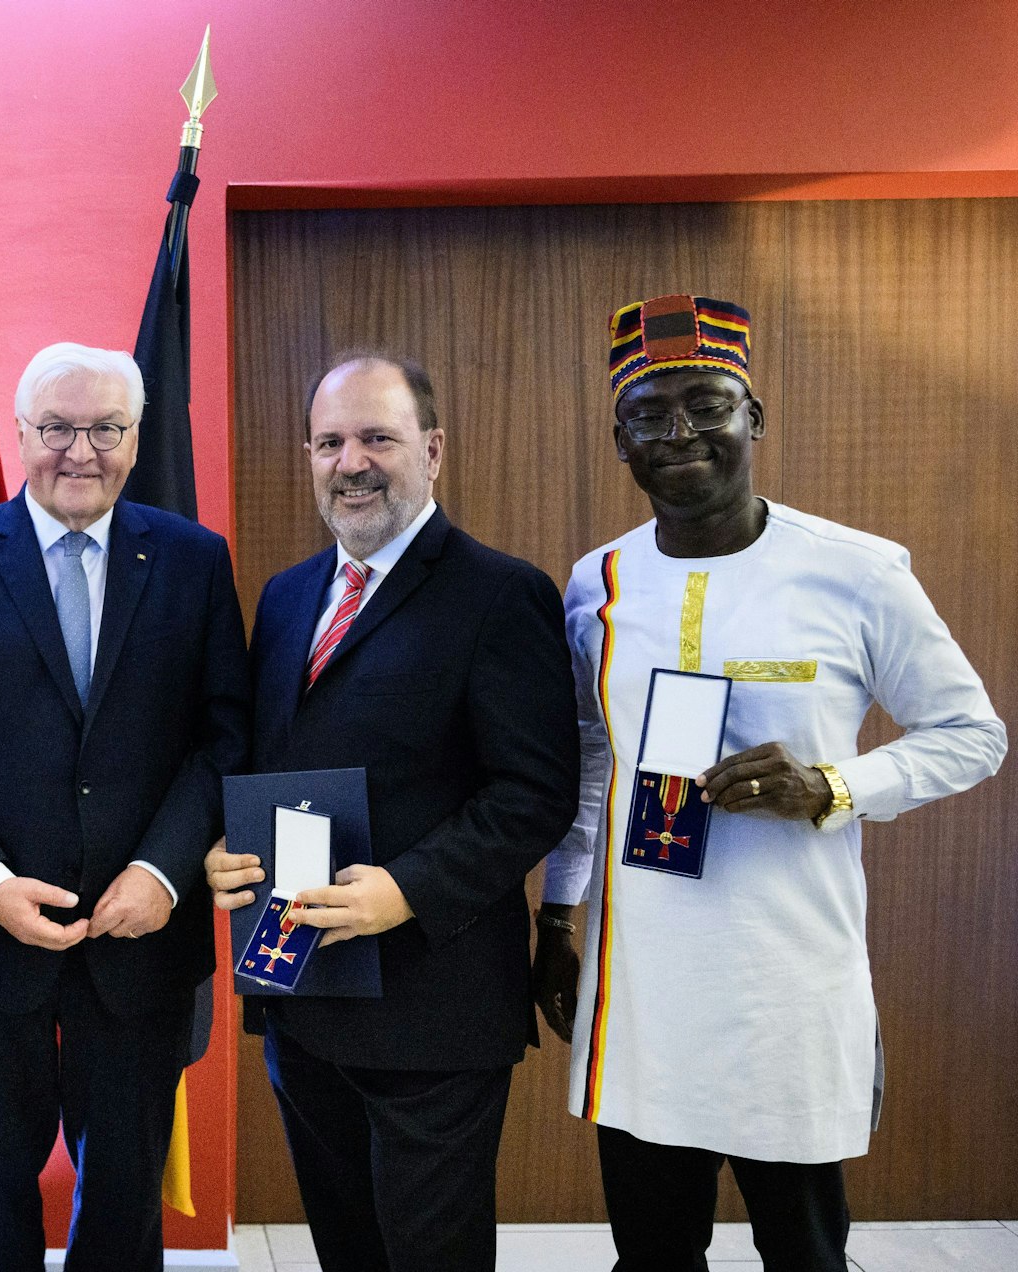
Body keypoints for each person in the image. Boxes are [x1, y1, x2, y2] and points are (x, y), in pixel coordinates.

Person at [531, 295, 1006, 1271]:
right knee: (650, 1256)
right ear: (616, 439)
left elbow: (970, 735)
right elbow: (591, 758)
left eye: (705, 405)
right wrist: (554, 916)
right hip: (640, 985)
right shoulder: (597, 583)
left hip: (785, 982)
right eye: (646, 415)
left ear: (754, 415)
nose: (677, 434)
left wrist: (832, 785)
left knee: (803, 1252)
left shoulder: (856, 572)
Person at [0, 343, 249, 1271]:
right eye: (56, 428)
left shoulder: (196, 563)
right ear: (21, 434)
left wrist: (166, 871)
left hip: (142, 946)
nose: (80, 451)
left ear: (135, 436)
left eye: (106, 429)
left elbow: (224, 739)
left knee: (123, 1209)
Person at [205, 354, 580, 1270]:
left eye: (378, 437)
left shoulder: (500, 593)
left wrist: (405, 892)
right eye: (330, 442)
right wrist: (226, 849)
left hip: (433, 1008)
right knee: (347, 1249)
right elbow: (278, 761)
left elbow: (536, 793)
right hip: (303, 996)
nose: (352, 461)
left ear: (433, 450)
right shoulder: (290, 596)